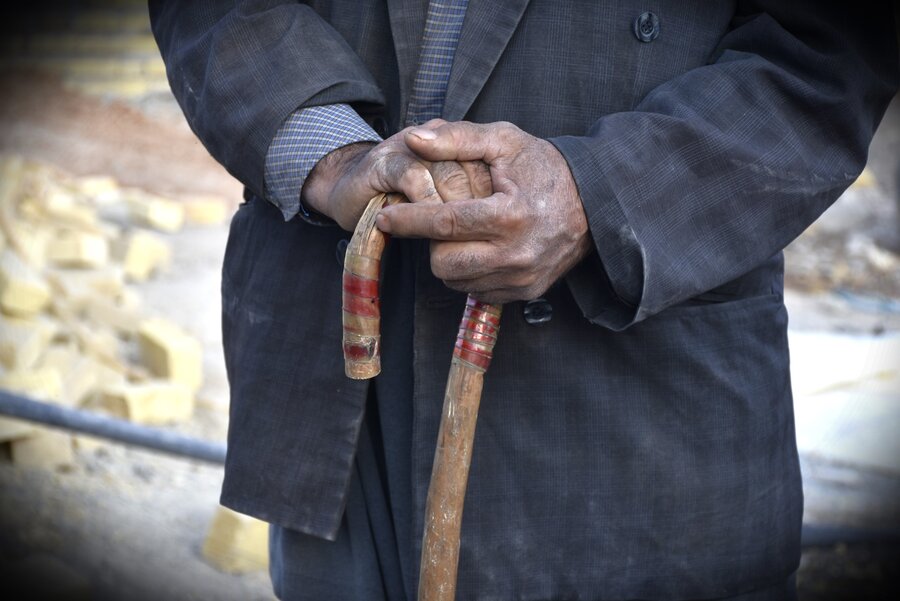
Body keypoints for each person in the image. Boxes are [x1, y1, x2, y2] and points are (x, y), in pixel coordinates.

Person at [149, 2, 898, 599]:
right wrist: (331, 150)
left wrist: (597, 196)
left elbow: (830, 46)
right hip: (343, 407)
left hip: (636, 399)